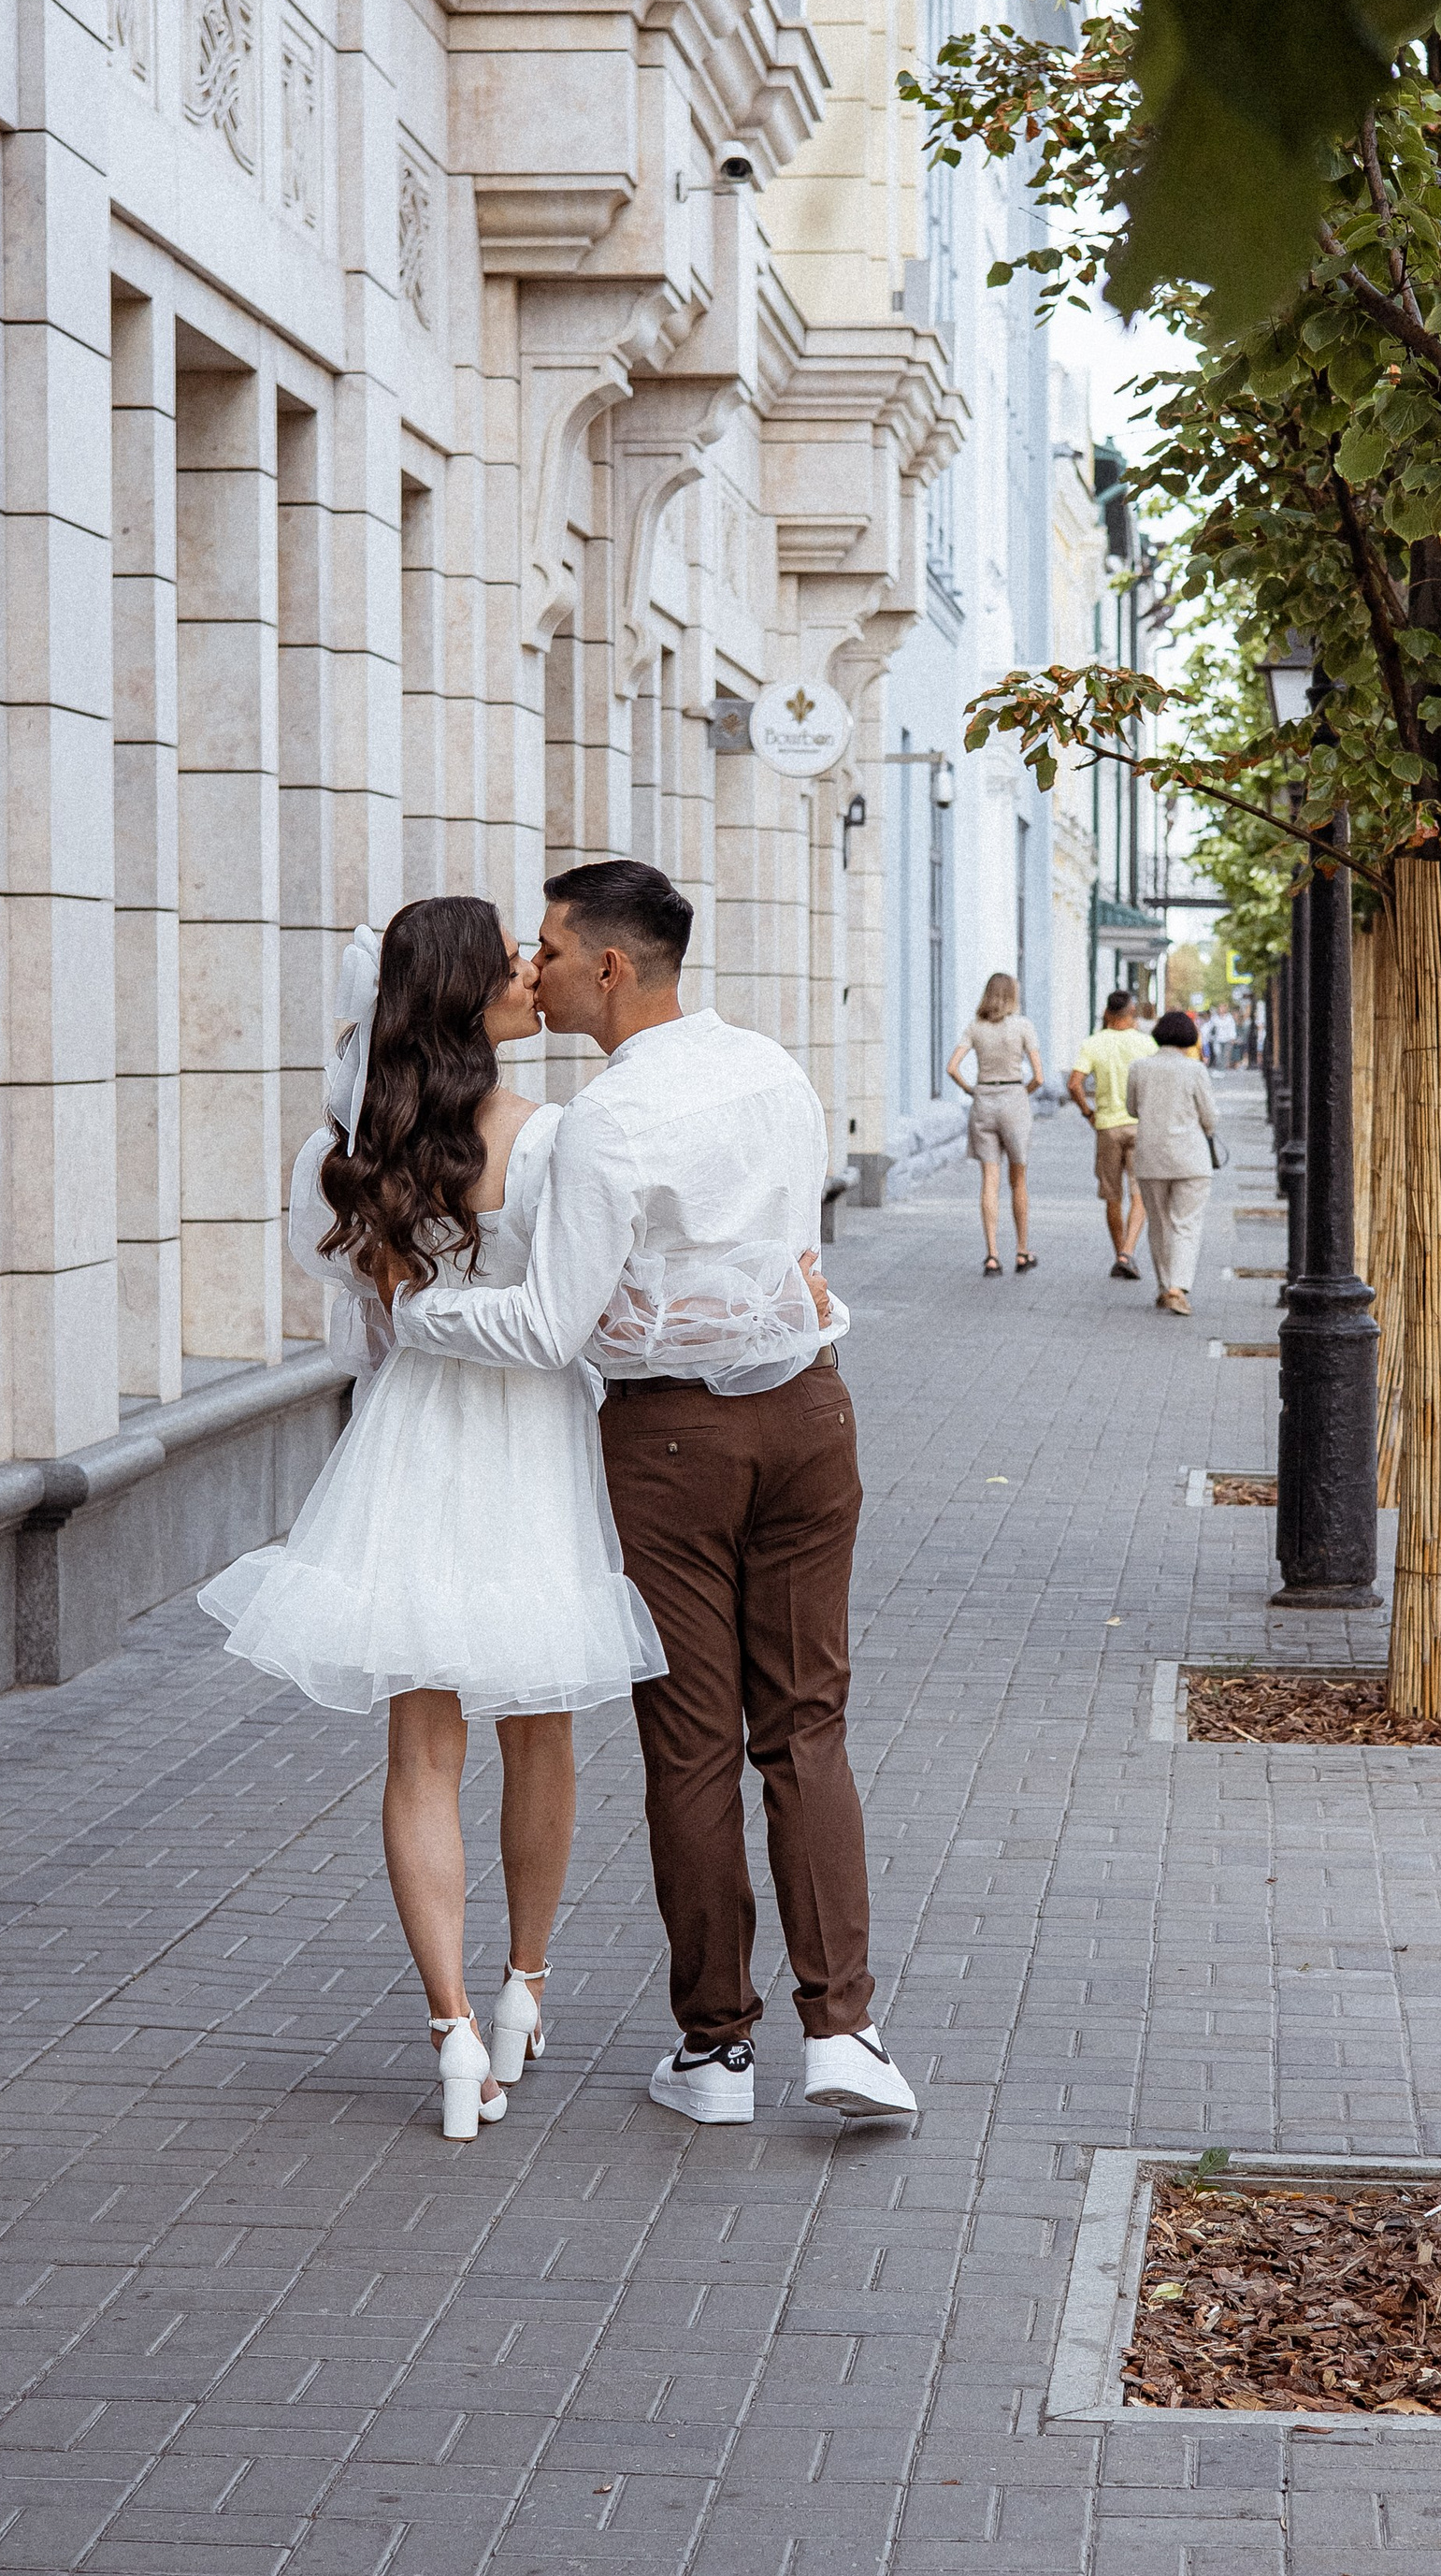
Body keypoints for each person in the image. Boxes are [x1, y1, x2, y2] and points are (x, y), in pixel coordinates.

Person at [389, 859, 921, 2131]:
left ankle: (718, 2054)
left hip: (673, 1441)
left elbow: (547, 1325)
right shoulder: (773, 1069)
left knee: (691, 1741)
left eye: (555, 952)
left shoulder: (611, 1122)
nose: (538, 971)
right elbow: (790, 1260)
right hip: (810, 1414)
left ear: (612, 969)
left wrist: (421, 1311)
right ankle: (844, 2033)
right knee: (808, 1724)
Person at [200, 899, 671, 2140]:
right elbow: (590, 1310)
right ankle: (524, 1984)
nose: (532, 973)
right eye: (511, 962)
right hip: (529, 1443)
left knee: (421, 1751)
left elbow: (362, 1326)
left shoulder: (358, 1146)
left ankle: (452, 2030)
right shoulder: (556, 1137)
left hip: (410, 1442)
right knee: (542, 1729)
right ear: (472, 999)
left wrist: (413, 1319)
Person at [946, 972, 1044, 1276]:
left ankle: (992, 1254)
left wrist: (970, 1090)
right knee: (1019, 1180)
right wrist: (1021, 1093)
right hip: (1014, 1098)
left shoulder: (975, 1027)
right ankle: (1022, 1251)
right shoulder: (1023, 1026)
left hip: (984, 1100)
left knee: (989, 1179)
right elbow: (1039, 1077)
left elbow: (952, 1067)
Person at [1126, 1010, 1221, 1315]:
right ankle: (1177, 1288)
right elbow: (1210, 1117)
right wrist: (1206, 1128)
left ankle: (1164, 1286)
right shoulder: (1195, 1071)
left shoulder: (1139, 1068)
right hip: (1191, 1159)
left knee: (1159, 1224)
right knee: (1186, 1224)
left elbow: (1132, 1109)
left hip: (1150, 1157)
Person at [1070, 989, 1157, 1281]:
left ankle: (1120, 1253)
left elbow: (1074, 1084)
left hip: (1107, 1126)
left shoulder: (1094, 1043)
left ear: (1107, 1013)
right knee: (1139, 1194)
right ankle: (1127, 1253)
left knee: (1112, 1196)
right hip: (1139, 1126)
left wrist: (1088, 1112)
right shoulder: (1146, 1043)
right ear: (1132, 1014)